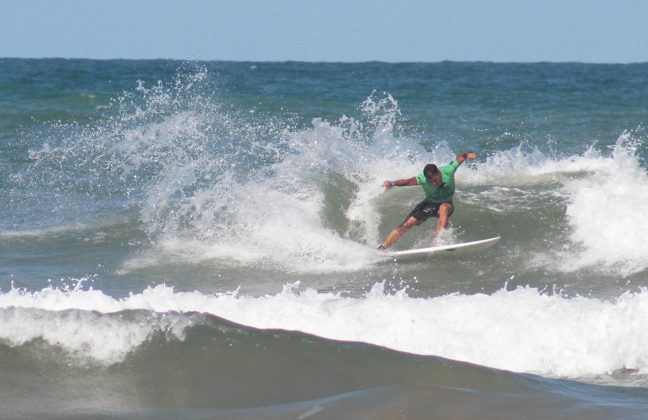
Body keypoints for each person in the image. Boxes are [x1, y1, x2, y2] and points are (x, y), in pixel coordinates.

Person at [378, 150, 477, 250]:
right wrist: (391, 183)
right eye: (430, 182)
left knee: (443, 207)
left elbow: (461, 156)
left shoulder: (448, 170)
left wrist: (469, 153)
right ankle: (382, 247)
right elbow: (407, 181)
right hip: (429, 204)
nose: (434, 183)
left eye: (435, 180)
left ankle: (439, 241)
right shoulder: (423, 179)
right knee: (406, 224)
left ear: (438, 173)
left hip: (447, 204)